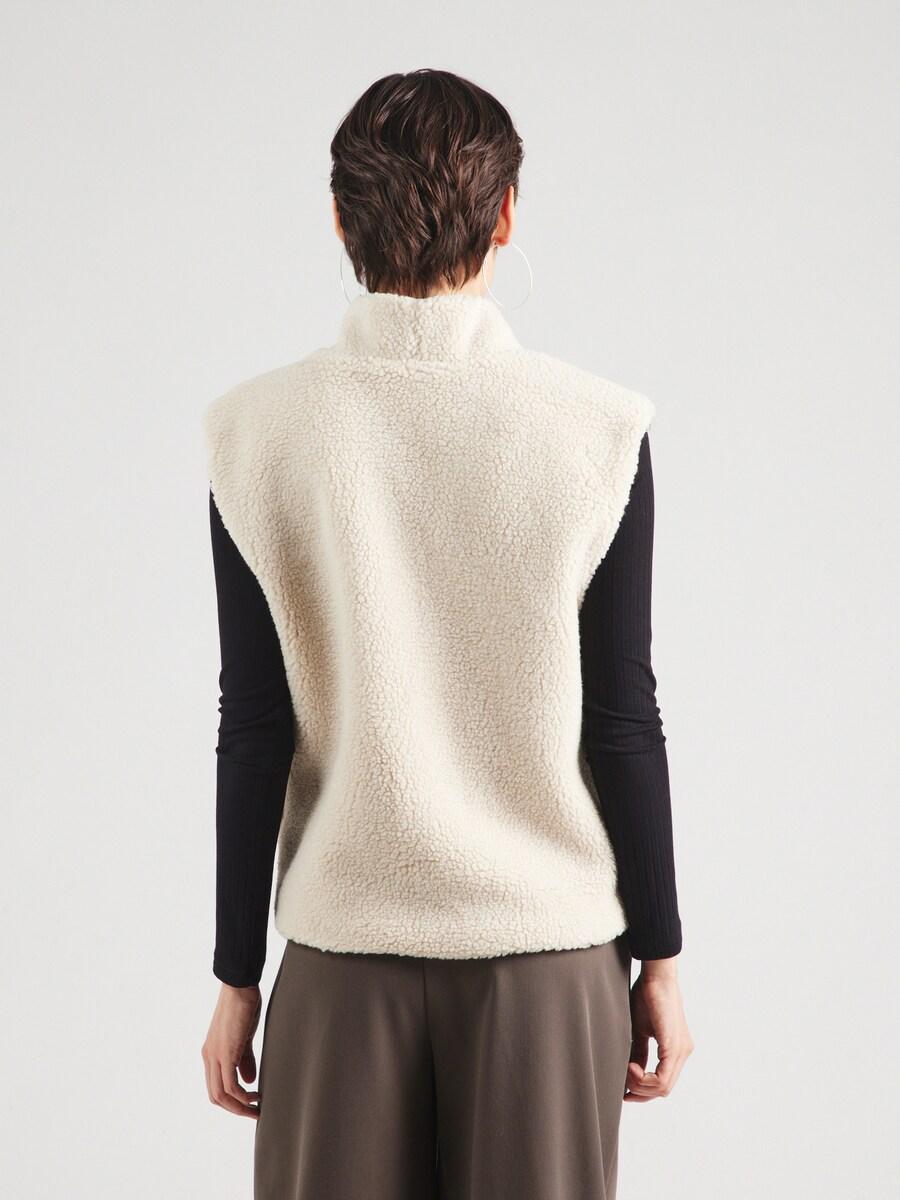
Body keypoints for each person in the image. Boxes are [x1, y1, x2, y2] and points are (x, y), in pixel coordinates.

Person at [200, 68, 693, 1200]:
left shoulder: (254, 433)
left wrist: (237, 977)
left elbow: (254, 728)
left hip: (340, 960)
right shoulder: (597, 430)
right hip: (549, 960)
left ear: (340, 221)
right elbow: (624, 717)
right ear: (507, 215)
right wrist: (661, 957)